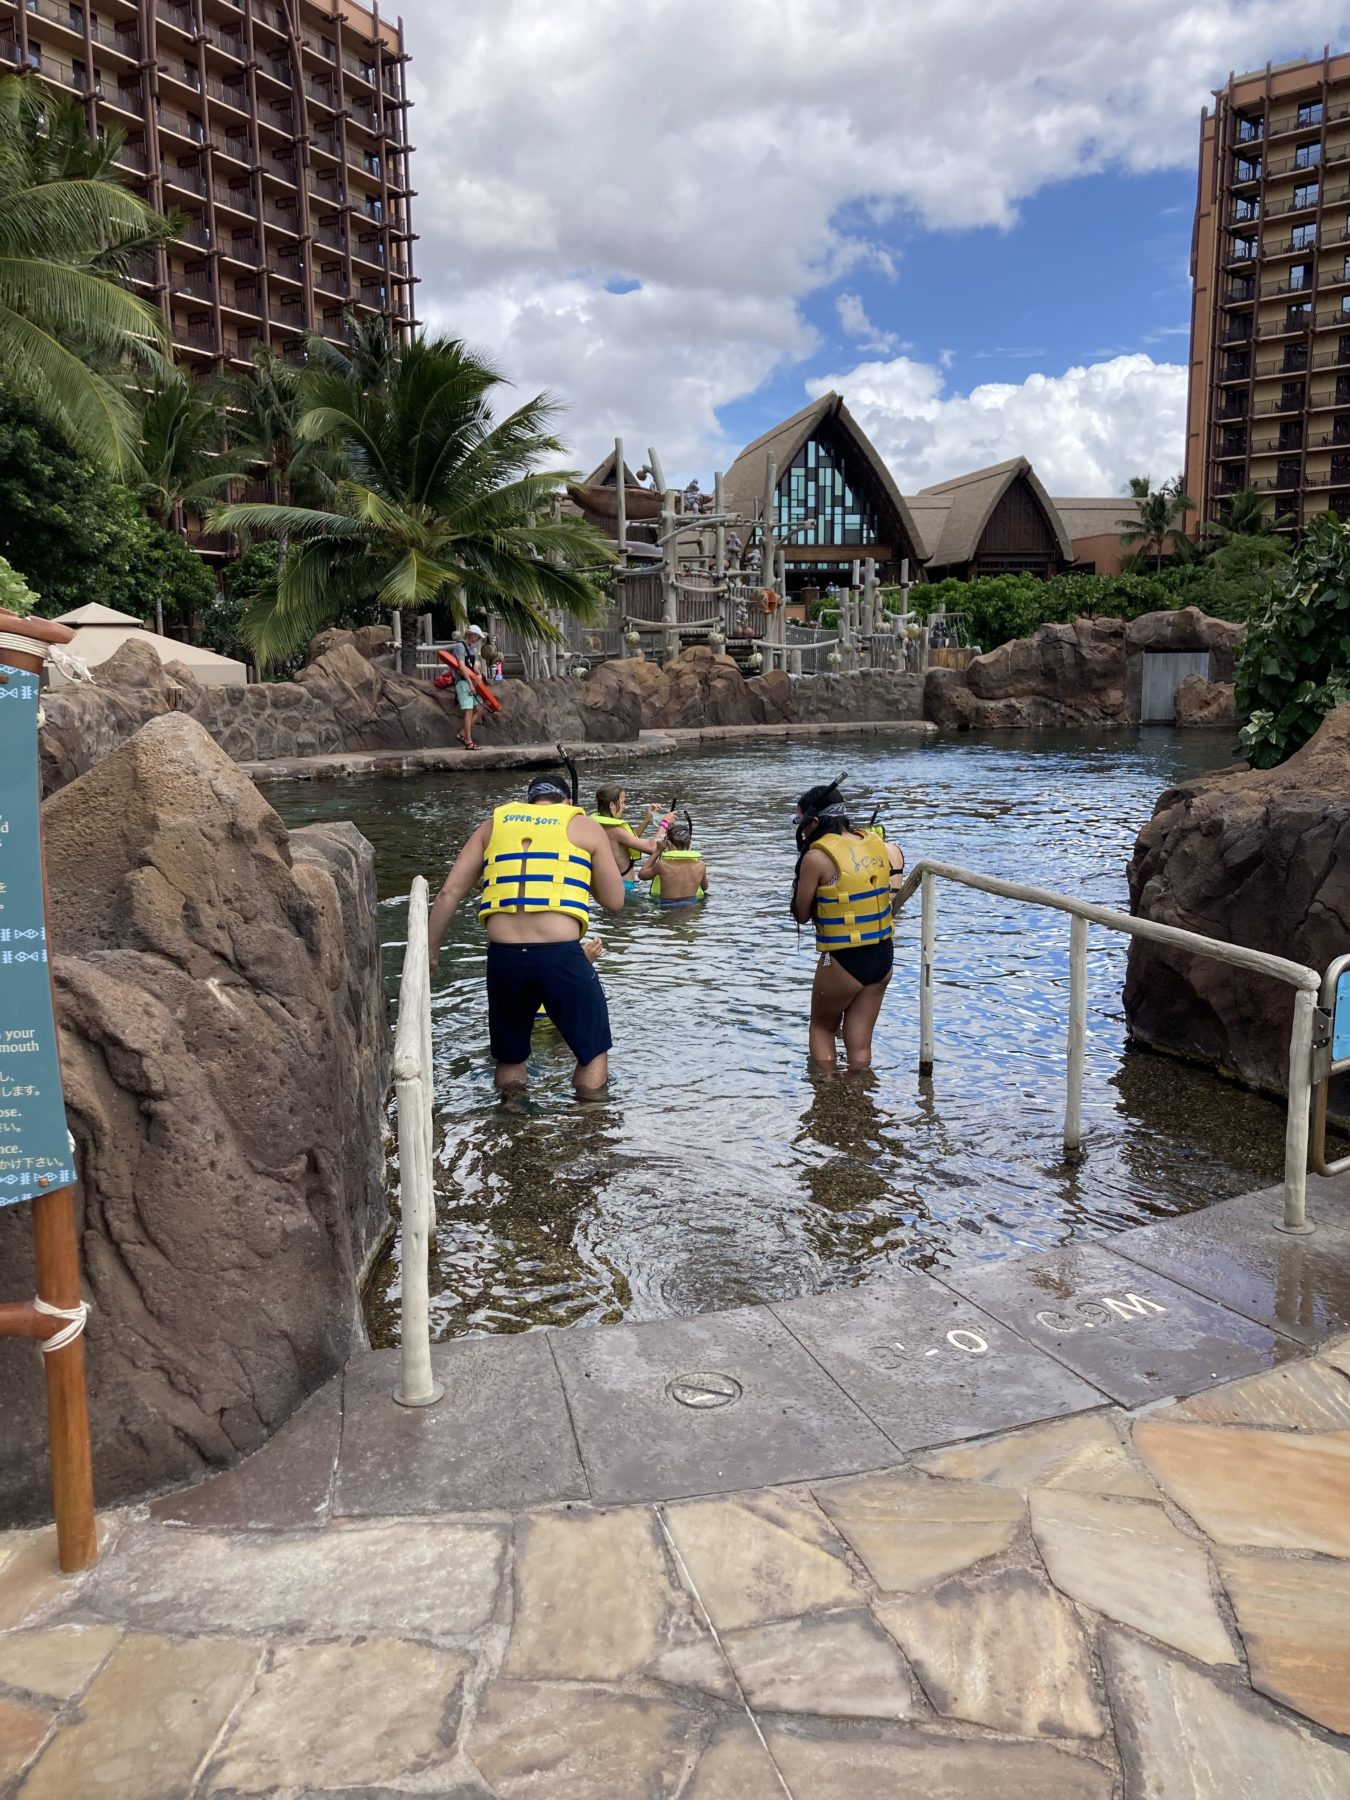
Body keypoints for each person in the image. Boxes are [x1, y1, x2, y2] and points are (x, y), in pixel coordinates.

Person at [428, 764, 625, 1093]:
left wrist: (431, 952)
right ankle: (589, 1124)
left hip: (504, 959)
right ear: (567, 802)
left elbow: (449, 892)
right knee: (592, 1055)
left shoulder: (492, 826)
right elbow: (615, 900)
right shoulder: (584, 827)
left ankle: (514, 1124)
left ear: (528, 802)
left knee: (510, 1058)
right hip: (560, 956)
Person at [790, 777, 895, 1072]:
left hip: (844, 958)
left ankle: (826, 1096)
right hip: (883, 954)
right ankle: (859, 1095)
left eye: (798, 821)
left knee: (822, 1029)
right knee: (860, 1042)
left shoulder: (817, 857)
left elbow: (801, 914)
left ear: (812, 821)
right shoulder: (877, 844)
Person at [591, 783, 663, 895]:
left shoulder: (596, 825)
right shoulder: (616, 831)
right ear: (612, 805)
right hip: (624, 889)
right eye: (623, 802)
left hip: (606, 886)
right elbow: (652, 847)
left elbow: (629, 839)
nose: (625, 807)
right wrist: (665, 824)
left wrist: (647, 819)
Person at [638, 813, 708, 907]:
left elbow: (642, 875)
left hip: (668, 906)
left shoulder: (662, 865)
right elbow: (705, 887)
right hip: (692, 905)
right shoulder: (700, 865)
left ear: (668, 844)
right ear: (690, 843)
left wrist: (657, 851)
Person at [449, 622, 487, 749]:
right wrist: (470, 684)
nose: (478, 639)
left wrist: (480, 674)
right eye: (477, 637)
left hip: (471, 681)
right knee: (469, 711)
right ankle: (469, 742)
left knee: (480, 709)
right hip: (463, 682)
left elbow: (475, 665)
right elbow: (461, 666)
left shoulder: (472, 649)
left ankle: (462, 734)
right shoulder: (460, 646)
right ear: (472, 635)